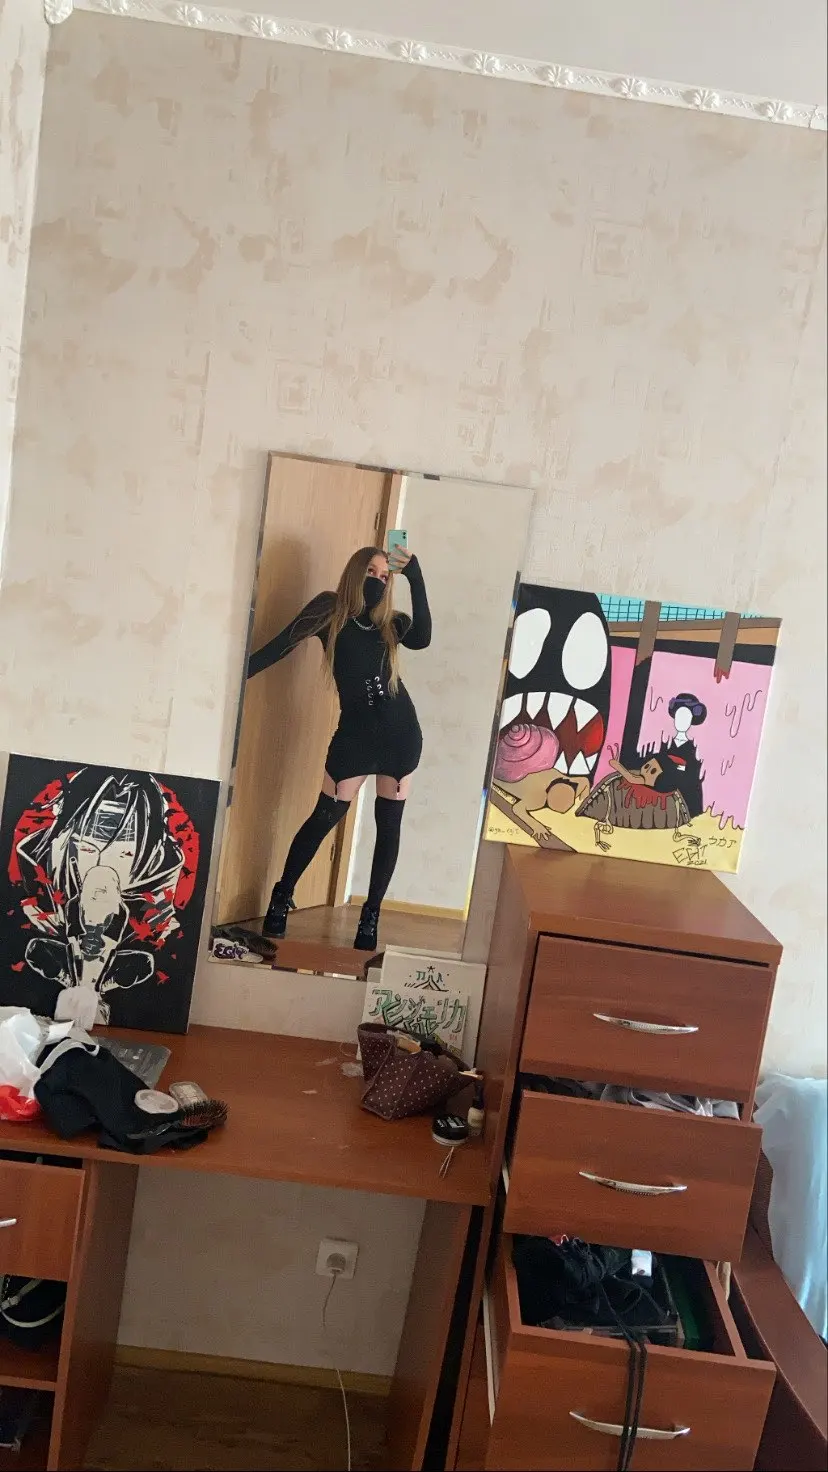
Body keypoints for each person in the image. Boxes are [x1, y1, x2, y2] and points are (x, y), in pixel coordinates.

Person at [247, 544, 431, 951]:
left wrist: (415, 575)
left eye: (385, 575)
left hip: (401, 736)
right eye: (371, 571)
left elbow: (423, 638)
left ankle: (370, 915)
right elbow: (280, 645)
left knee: (389, 826)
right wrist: (235, 675)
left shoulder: (389, 623)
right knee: (324, 816)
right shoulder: (328, 610)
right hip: (355, 737)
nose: (377, 580)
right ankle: (282, 895)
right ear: (354, 571)